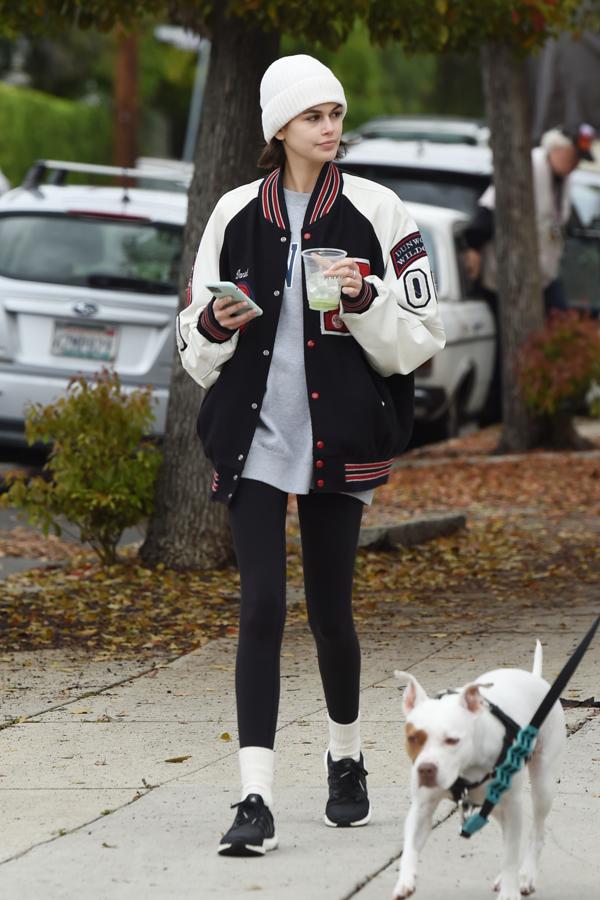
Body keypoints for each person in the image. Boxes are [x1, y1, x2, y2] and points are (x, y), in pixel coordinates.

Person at [177, 54, 445, 857]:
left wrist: (366, 301)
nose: (331, 127)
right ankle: (253, 798)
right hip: (254, 438)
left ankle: (347, 756)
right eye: (313, 115)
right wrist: (218, 326)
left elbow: (419, 338)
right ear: (279, 129)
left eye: (336, 113)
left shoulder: (378, 209)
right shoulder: (234, 212)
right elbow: (194, 342)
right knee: (260, 607)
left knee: (331, 612)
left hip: (342, 439)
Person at [464, 123, 596, 314]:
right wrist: (474, 247)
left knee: (558, 319)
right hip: (510, 280)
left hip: (543, 277)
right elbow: (491, 209)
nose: (576, 164)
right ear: (558, 150)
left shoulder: (562, 177)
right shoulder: (530, 166)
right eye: (574, 156)